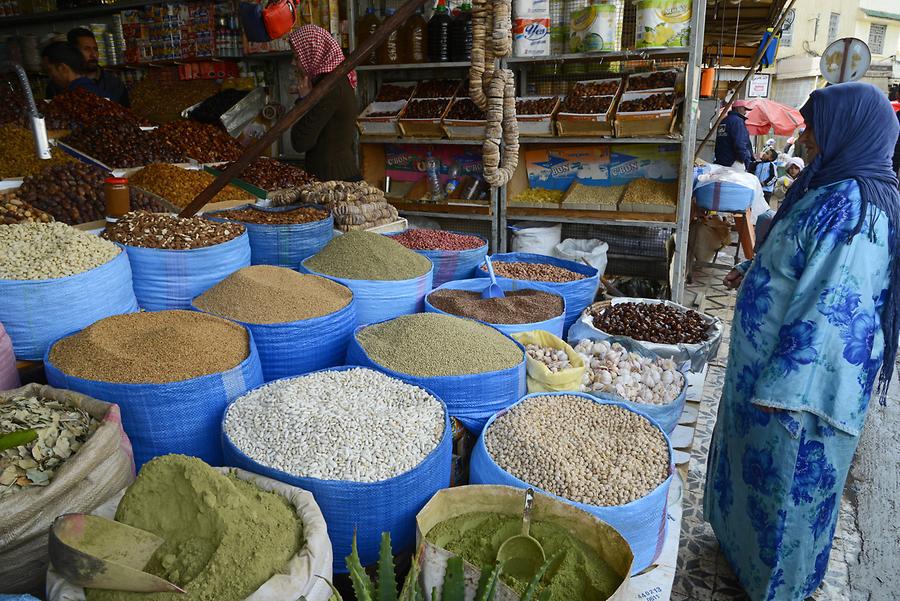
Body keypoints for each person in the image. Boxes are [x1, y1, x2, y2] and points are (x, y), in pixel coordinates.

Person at [704, 82, 899, 601]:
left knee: (786, 490)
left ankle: (775, 588)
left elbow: (836, 312)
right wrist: (754, 271)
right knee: (752, 479)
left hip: (793, 392)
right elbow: (792, 253)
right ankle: (740, 559)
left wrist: (785, 390)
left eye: (816, 126)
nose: (807, 136)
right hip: (760, 371)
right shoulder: (826, 185)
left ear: (851, 132)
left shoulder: (858, 210)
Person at [288, 25, 362, 182]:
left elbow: (301, 141)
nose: (293, 63)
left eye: (296, 56)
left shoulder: (329, 86)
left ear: (312, 53)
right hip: (335, 176)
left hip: (335, 181)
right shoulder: (334, 80)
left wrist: (305, 101)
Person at [45, 28, 130, 106]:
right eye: (87, 49)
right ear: (75, 52)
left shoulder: (114, 84)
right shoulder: (55, 86)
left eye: (95, 49)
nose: (93, 55)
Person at [41, 41, 114, 100]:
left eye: (49, 70)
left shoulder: (70, 100)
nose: (49, 77)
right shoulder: (99, 91)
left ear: (63, 68)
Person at [714, 99, 755, 171]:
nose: (745, 112)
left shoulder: (724, 121)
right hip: (734, 162)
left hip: (721, 161)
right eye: (744, 109)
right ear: (738, 108)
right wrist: (743, 160)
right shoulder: (738, 121)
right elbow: (740, 143)